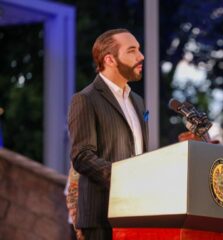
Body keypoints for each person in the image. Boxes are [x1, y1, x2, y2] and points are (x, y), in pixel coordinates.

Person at [68, 28, 148, 240]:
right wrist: (124, 178)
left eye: (139, 50)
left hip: (137, 214)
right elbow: (82, 156)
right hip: (101, 217)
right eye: (132, 51)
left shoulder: (138, 102)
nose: (141, 56)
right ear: (110, 59)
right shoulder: (85, 99)